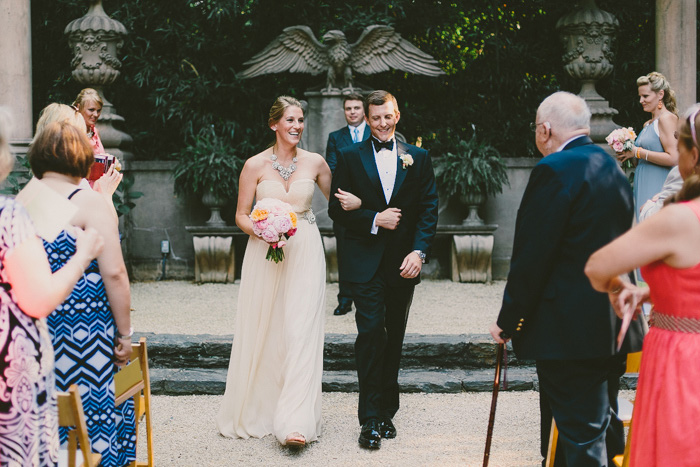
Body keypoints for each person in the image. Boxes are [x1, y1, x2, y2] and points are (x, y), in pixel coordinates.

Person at [489, 91, 644, 466]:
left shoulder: (554, 170)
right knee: (603, 425)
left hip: (570, 330)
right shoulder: (612, 167)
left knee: (579, 436)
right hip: (611, 325)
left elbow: (533, 256)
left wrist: (508, 320)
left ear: (545, 129)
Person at [585, 104, 700, 467]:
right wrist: (659, 290)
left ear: (692, 154)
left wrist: (617, 287)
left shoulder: (678, 218)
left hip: (683, 357)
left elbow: (597, 266)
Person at [217, 96, 332, 447]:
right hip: (265, 252)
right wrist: (264, 229)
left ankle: (295, 422)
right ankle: (262, 408)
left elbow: (343, 205)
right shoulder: (253, 165)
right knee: (266, 327)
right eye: (290, 121)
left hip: (307, 251)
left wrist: (368, 210)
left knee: (301, 329)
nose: (297, 126)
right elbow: (240, 215)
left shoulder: (316, 163)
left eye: (300, 120)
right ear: (274, 125)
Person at [328, 90, 439, 450]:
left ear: (397, 114)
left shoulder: (417, 157)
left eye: (387, 116)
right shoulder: (348, 156)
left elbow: (427, 208)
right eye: (375, 118)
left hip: (403, 264)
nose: (381, 123)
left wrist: (419, 252)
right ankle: (369, 419)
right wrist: (374, 218)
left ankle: (388, 411)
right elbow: (335, 211)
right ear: (365, 118)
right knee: (372, 334)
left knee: (394, 337)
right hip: (365, 264)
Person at [28, 121, 136, 467]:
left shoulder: (21, 201)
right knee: (91, 409)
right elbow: (115, 273)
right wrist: (125, 334)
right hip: (85, 332)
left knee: (45, 411)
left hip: (34, 329)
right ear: (81, 157)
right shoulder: (90, 202)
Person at [0, 110, 103, 465]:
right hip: (9, 365)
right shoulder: (8, 214)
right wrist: (83, 255)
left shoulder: (26, 200)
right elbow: (38, 297)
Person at [34, 103, 121, 220]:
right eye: (81, 134)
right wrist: (105, 195)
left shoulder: (34, 188)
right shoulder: (76, 192)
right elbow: (109, 234)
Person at [325, 93, 371, 316]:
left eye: (356, 108)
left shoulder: (374, 133)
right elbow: (333, 169)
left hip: (371, 205)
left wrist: (364, 197)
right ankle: (345, 299)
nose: (352, 112)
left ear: (364, 111)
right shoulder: (335, 137)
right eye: (348, 108)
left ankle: (368, 296)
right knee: (344, 251)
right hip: (343, 203)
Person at [617, 72, 679, 217]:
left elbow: (674, 158)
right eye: (640, 96)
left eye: (645, 96)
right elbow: (641, 158)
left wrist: (637, 151)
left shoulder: (667, 119)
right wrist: (627, 152)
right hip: (642, 181)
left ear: (660, 94)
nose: (641, 100)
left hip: (658, 184)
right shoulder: (647, 124)